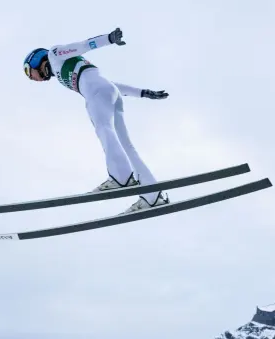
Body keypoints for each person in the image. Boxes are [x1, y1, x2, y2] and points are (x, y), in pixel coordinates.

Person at [23, 29, 171, 214]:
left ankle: (121, 176)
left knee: (103, 129)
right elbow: (109, 85)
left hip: (97, 94)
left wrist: (108, 39)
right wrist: (142, 92)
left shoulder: (54, 55)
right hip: (110, 92)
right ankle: (154, 196)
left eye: (29, 72)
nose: (32, 78)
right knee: (127, 146)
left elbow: (83, 45)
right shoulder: (64, 70)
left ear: (36, 60)